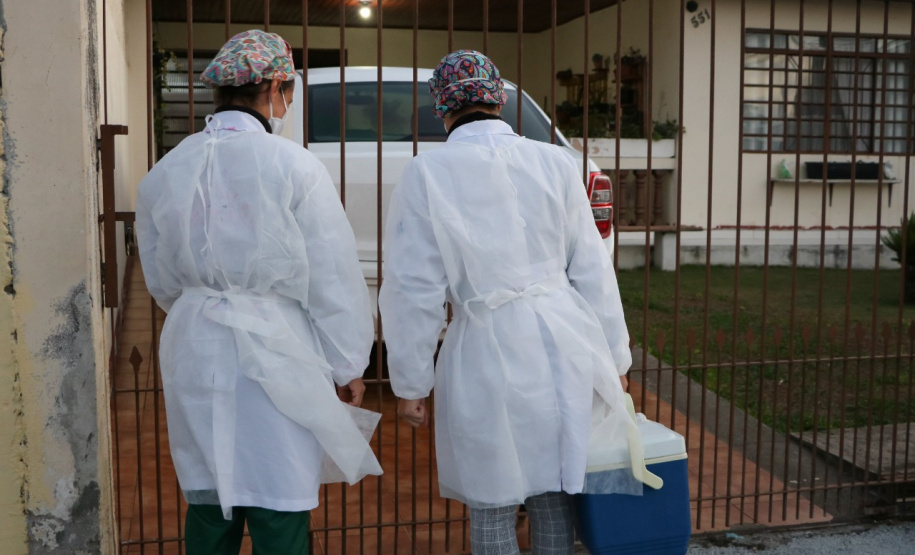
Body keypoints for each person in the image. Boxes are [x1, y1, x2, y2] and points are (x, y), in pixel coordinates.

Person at [378, 50, 640, 555]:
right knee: (552, 494)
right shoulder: (558, 163)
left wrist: (411, 380)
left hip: (483, 345)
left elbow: (414, 288)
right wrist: (615, 357)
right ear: (499, 98)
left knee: (493, 502)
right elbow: (592, 268)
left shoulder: (427, 174)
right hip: (561, 343)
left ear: (442, 108)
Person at [136, 29, 381, 555]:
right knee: (279, 492)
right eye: (288, 89)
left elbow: (160, 280)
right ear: (274, 86)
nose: (287, 100)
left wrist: (203, 308)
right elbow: (331, 274)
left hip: (195, 339)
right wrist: (348, 364)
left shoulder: (164, 172)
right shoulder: (292, 165)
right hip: (277, 341)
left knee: (208, 492)